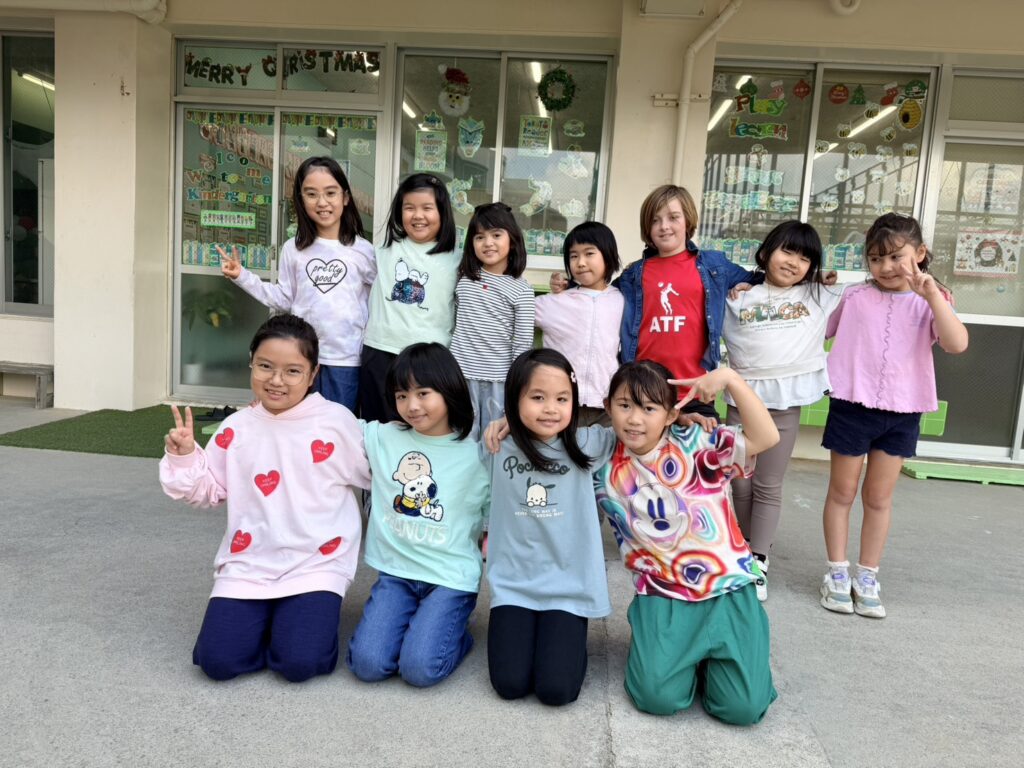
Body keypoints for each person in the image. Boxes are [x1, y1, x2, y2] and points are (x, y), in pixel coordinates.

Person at [159, 313, 371, 682]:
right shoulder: (235, 428)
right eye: (265, 366)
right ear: (251, 363)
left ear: (313, 374)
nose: (276, 380)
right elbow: (208, 491)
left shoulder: (336, 422)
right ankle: (273, 618)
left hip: (316, 564)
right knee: (218, 662)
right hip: (249, 563)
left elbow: (376, 474)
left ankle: (296, 620)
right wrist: (185, 456)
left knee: (299, 663)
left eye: (292, 371)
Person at [593, 360, 780, 724]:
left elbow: (766, 437)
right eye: (624, 405)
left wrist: (729, 378)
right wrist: (509, 425)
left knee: (743, 709)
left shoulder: (698, 442)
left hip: (728, 588)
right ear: (607, 407)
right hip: (662, 593)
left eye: (649, 408)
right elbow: (547, 436)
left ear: (670, 414)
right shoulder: (601, 464)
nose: (634, 419)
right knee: (656, 697)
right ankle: (684, 658)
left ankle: (721, 657)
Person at [819, 213, 968, 619]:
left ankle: (867, 576)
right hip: (852, 406)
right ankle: (836, 572)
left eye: (895, 257)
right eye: (875, 259)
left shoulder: (932, 300)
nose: (885, 267)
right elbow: (819, 328)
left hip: (903, 412)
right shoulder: (854, 296)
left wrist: (932, 296)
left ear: (919, 254)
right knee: (842, 493)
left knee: (879, 498)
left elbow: (956, 343)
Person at [550, 186, 761, 425]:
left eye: (673, 217)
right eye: (655, 220)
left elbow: (762, 280)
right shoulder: (634, 275)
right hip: (643, 391)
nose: (664, 226)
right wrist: (568, 285)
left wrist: (748, 285)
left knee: (703, 447)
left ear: (688, 220)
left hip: (695, 390)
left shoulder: (713, 265)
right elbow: (599, 294)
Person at [346, 342, 489, 687]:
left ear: (449, 389)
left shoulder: (479, 454)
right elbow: (329, 425)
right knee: (368, 665)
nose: (411, 405)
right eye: (401, 395)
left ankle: (456, 633)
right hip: (396, 574)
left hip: (449, 578)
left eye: (423, 393)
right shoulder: (383, 437)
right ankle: (424, 625)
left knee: (420, 669)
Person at [484, 348, 617, 706]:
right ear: (515, 399)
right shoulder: (497, 445)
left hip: (568, 588)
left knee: (556, 690)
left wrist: (683, 418)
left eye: (562, 398)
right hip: (515, 585)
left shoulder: (587, 444)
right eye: (537, 397)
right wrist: (504, 421)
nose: (550, 409)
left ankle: (565, 645)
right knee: (509, 684)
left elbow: (638, 425)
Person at [722, 220, 843, 601]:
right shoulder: (737, 298)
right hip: (741, 404)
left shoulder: (818, 296)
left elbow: (875, 289)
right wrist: (743, 283)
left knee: (768, 484)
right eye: (787, 251)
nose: (793, 262)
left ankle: (759, 558)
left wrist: (931, 285)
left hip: (785, 407)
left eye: (804, 258)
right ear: (766, 252)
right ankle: (745, 546)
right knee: (740, 482)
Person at [219, 156, 375, 411]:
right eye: (311, 194)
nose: (322, 202)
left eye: (330, 193)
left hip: (345, 360)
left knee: (338, 425)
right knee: (294, 425)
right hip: (300, 357)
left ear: (345, 197)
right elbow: (283, 299)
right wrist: (242, 276)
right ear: (301, 200)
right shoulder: (293, 248)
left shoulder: (364, 250)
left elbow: (377, 303)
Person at [360, 174, 459, 423]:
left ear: (442, 212)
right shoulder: (382, 251)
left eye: (427, 208)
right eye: (409, 208)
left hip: (430, 358)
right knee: (379, 429)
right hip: (381, 351)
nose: (418, 215)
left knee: (424, 428)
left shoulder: (458, 260)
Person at [449, 203, 535, 439]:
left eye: (496, 235)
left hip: (499, 380)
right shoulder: (464, 279)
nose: (488, 243)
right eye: (479, 237)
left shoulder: (522, 290)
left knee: (495, 440)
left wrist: (517, 386)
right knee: (460, 437)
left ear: (513, 240)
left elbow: (523, 343)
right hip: (460, 375)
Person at [535, 221, 623, 427]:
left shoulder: (622, 300)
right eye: (573, 256)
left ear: (608, 255)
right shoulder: (555, 302)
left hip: (607, 404)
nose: (581, 262)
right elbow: (513, 311)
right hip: (560, 404)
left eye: (589, 253)